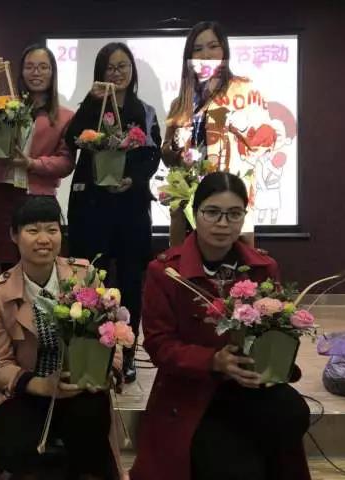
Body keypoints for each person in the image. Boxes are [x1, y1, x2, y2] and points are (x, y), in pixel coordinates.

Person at [130, 172, 311, 480]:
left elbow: (275, 328)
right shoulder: (166, 272)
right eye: (212, 212)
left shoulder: (263, 267)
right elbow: (160, 346)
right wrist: (214, 360)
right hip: (193, 389)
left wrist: (274, 361)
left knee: (293, 413)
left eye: (234, 214)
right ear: (195, 213)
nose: (223, 223)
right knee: (235, 469)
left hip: (250, 385)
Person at [0, 196, 122, 479]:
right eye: (33, 230)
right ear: (14, 235)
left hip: (78, 385)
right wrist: (40, 385)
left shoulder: (84, 275)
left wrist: (111, 370)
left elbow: (110, 333)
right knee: (10, 439)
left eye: (52, 229)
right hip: (26, 390)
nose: (44, 239)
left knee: (91, 419)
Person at [64, 42, 161, 383]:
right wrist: (91, 101)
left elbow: (153, 156)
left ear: (132, 71)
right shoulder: (90, 107)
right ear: (100, 72)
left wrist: (133, 179)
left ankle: (128, 353)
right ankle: (95, 348)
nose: (117, 73)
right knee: (93, 280)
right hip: (92, 209)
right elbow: (70, 139)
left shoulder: (145, 111)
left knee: (131, 282)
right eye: (110, 67)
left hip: (131, 208)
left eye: (123, 66)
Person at [162, 21, 270, 247]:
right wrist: (176, 152)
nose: (206, 55)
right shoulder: (181, 102)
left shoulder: (244, 90)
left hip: (229, 197)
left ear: (224, 51)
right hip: (189, 202)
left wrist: (236, 124)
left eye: (213, 46)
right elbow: (167, 154)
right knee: (188, 262)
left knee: (234, 263)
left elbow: (266, 141)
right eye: (197, 49)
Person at [0, 44, 74, 270]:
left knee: (42, 266)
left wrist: (32, 164)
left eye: (43, 67)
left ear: (52, 72)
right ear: (21, 72)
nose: (36, 73)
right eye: (30, 67)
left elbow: (66, 162)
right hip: (5, 194)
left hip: (41, 198)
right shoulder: (3, 105)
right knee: (7, 267)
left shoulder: (65, 116)